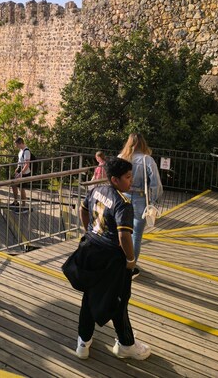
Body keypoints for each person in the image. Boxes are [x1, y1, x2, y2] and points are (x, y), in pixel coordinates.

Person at [66, 157, 151, 361]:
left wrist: (90, 231)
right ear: (115, 179)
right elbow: (124, 236)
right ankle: (126, 344)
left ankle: (83, 342)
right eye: (128, 177)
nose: (131, 181)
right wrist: (130, 259)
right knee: (119, 298)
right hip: (111, 258)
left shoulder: (96, 190)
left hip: (90, 249)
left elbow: (83, 210)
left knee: (89, 296)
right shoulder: (123, 203)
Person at [119, 133, 163, 278]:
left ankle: (118, 263)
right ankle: (130, 268)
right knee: (136, 236)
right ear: (143, 143)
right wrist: (153, 201)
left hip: (122, 197)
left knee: (121, 232)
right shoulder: (147, 160)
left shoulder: (121, 158)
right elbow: (156, 184)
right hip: (140, 199)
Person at [11, 137, 31, 208]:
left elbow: (27, 164)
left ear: (21, 143)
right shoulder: (21, 151)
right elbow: (20, 161)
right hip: (20, 171)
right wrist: (17, 169)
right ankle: (16, 201)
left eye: (17, 145)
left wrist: (21, 173)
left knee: (21, 188)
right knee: (14, 185)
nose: (16, 146)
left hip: (25, 172)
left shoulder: (26, 151)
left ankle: (23, 205)